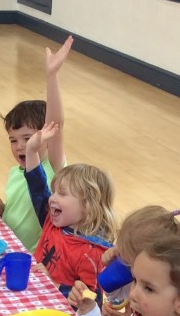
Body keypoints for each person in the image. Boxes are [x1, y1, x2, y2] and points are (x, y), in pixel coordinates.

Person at [0, 36, 73, 252]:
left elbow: (56, 122)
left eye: (27, 138)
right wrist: (2, 209)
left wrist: (52, 75)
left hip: (36, 260)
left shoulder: (53, 168)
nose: (20, 146)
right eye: (13, 140)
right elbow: (23, 217)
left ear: (47, 136)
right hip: (10, 250)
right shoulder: (15, 173)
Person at [23, 125, 116, 297]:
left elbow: (90, 301)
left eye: (62, 193)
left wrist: (54, 284)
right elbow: (38, 188)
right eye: (54, 192)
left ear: (87, 206)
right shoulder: (53, 221)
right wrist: (31, 151)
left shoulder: (93, 252)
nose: (52, 198)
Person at [97, 204, 180, 316]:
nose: (132, 294)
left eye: (127, 261)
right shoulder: (138, 274)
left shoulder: (176, 291)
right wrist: (111, 268)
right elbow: (117, 294)